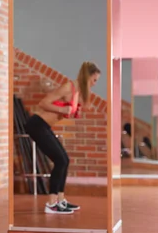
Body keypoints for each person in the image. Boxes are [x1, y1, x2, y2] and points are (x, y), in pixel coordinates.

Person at [24, 61, 101, 214]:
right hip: (36, 124)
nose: (94, 84)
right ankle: (51, 204)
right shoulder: (68, 87)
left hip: (44, 126)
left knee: (65, 160)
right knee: (60, 160)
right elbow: (43, 103)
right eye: (94, 80)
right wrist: (63, 108)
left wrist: (74, 110)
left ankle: (60, 200)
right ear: (87, 77)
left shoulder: (77, 92)